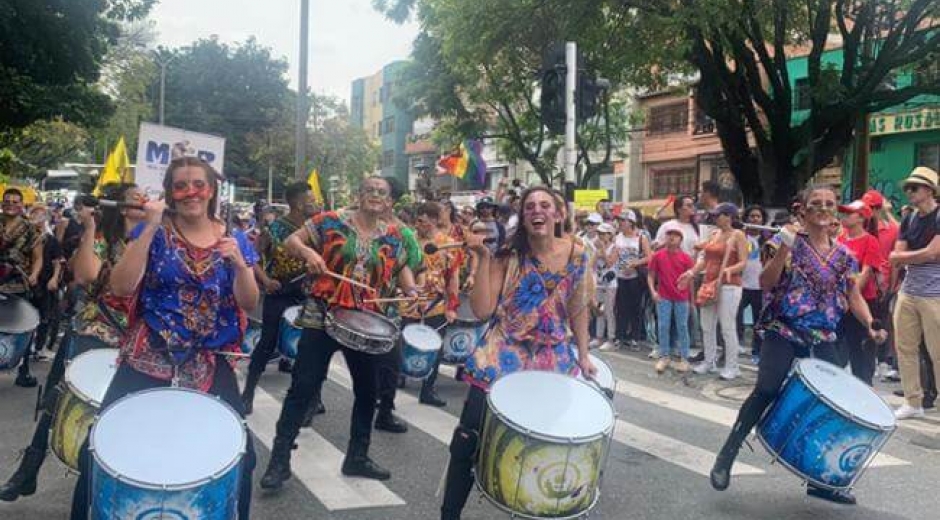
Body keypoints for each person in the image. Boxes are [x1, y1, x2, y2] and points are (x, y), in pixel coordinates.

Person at [69, 158, 261, 520]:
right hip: (147, 355)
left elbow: (248, 303)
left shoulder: (233, 238)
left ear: (212, 189)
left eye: (198, 184)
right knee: (98, 450)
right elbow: (121, 286)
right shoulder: (151, 230)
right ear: (169, 192)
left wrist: (238, 264)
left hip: (207, 361)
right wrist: (151, 225)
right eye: (181, 185)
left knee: (241, 456)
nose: (190, 193)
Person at [710, 184, 887, 505]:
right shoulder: (783, 241)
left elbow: (853, 295)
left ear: (835, 211)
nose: (822, 208)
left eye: (829, 203)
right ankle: (727, 454)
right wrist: (784, 249)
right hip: (784, 328)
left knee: (833, 407)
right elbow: (766, 281)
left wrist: (871, 325)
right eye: (815, 203)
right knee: (766, 388)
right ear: (802, 210)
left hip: (823, 335)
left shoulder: (845, 255)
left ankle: (819, 479)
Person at [439, 186, 597, 520]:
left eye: (545, 205)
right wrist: (481, 258)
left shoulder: (580, 253)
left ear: (559, 214)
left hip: (553, 361)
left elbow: (579, 305)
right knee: (468, 440)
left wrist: (583, 354)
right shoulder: (508, 256)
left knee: (545, 448)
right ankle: (449, 514)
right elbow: (482, 310)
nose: (537, 211)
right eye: (529, 207)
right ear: (522, 218)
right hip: (502, 356)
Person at [260, 176, 419, 489]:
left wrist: (411, 290)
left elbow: (401, 269)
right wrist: (309, 254)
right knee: (303, 386)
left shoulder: (394, 237)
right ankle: (279, 460)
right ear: (359, 195)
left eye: (382, 193)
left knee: (367, 390)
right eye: (369, 190)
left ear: (389, 202)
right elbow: (293, 240)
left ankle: (357, 456)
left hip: (365, 320)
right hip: (323, 314)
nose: (375, 195)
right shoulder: (330, 221)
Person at [0, 183, 145, 503]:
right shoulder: (105, 238)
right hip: (94, 330)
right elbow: (86, 276)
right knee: (60, 398)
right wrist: (91, 226)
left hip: (140, 339)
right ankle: (27, 471)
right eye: (135, 198)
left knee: (125, 410)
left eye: (143, 198)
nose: (141, 202)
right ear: (119, 205)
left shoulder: (156, 240)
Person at [241, 182, 318, 415]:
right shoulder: (274, 229)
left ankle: (311, 400)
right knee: (267, 343)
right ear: (297, 203)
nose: (315, 203)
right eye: (311, 200)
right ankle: (248, 393)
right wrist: (265, 280)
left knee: (311, 348)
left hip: (307, 294)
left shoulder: (317, 228)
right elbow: (251, 257)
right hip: (279, 292)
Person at [392, 202, 459, 407]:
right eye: (418, 220)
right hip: (409, 300)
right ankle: (398, 379)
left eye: (423, 220)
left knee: (435, 347)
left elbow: (453, 277)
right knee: (401, 343)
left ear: (434, 220)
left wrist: (451, 306)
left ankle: (428, 389)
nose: (419, 224)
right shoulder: (408, 241)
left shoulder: (448, 244)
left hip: (436, 303)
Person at [888, 167, 940, 420]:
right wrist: (910, 257)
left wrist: (904, 256)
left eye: (915, 187)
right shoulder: (909, 219)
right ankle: (913, 401)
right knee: (904, 347)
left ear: (929, 190)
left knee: (937, 351)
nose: (909, 192)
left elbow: (933, 253)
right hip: (909, 291)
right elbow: (896, 257)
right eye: (908, 187)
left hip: (935, 294)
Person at [680, 203, 747, 380]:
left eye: (719, 215)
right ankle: (709, 361)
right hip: (709, 283)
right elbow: (704, 260)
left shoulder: (737, 235)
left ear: (729, 216)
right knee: (707, 325)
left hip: (730, 285)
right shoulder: (714, 234)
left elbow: (743, 262)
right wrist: (690, 273)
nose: (715, 218)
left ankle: (732, 366)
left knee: (727, 326)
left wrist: (729, 270)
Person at [837, 199, 884, 384]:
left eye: (850, 213)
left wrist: (851, 297)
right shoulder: (839, 240)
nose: (844, 216)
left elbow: (866, 273)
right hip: (840, 304)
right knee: (838, 348)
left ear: (861, 217)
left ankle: (865, 387)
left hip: (862, 302)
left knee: (861, 352)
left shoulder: (870, 241)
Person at [0, 188, 42, 387]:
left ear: (21, 204)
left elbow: (38, 256)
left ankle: (23, 370)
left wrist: (34, 274)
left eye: (15, 201)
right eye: (7, 200)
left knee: (22, 328)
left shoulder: (30, 228)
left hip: (17, 283)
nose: (10, 204)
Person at [648, 227, 694, 373]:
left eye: (676, 236)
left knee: (682, 327)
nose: (672, 238)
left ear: (681, 240)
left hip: (682, 297)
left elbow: (691, 280)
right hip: (664, 296)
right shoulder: (658, 255)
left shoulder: (686, 258)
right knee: (663, 326)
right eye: (669, 235)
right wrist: (653, 292)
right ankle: (664, 356)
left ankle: (684, 358)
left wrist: (692, 300)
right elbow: (650, 275)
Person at [608, 210, 650, 350]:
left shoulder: (640, 237)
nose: (620, 223)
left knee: (636, 308)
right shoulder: (617, 237)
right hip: (620, 276)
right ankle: (620, 337)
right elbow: (612, 259)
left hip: (635, 277)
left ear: (631, 222)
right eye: (619, 221)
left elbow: (650, 256)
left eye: (623, 221)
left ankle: (635, 338)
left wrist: (635, 263)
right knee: (620, 308)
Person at [26, 204, 64, 358]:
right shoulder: (26, 238)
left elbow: (58, 261)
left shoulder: (51, 239)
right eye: (34, 214)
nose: (37, 218)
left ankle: (39, 348)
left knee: (44, 317)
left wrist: (54, 278)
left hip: (44, 283)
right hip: (25, 282)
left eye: (41, 215)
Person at [739, 205, 768, 365]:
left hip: (760, 287)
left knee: (759, 322)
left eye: (758, 217)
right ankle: (733, 348)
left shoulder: (768, 239)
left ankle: (757, 351)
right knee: (736, 319)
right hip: (742, 285)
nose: (755, 219)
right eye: (752, 216)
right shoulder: (741, 237)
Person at [592, 222, 617, 350]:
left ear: (609, 234)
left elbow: (609, 263)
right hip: (599, 282)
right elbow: (592, 264)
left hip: (610, 284)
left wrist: (602, 250)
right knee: (599, 310)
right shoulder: (597, 248)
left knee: (609, 311)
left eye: (603, 234)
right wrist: (598, 251)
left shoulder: (614, 247)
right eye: (599, 233)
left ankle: (611, 338)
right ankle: (599, 337)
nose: (600, 236)